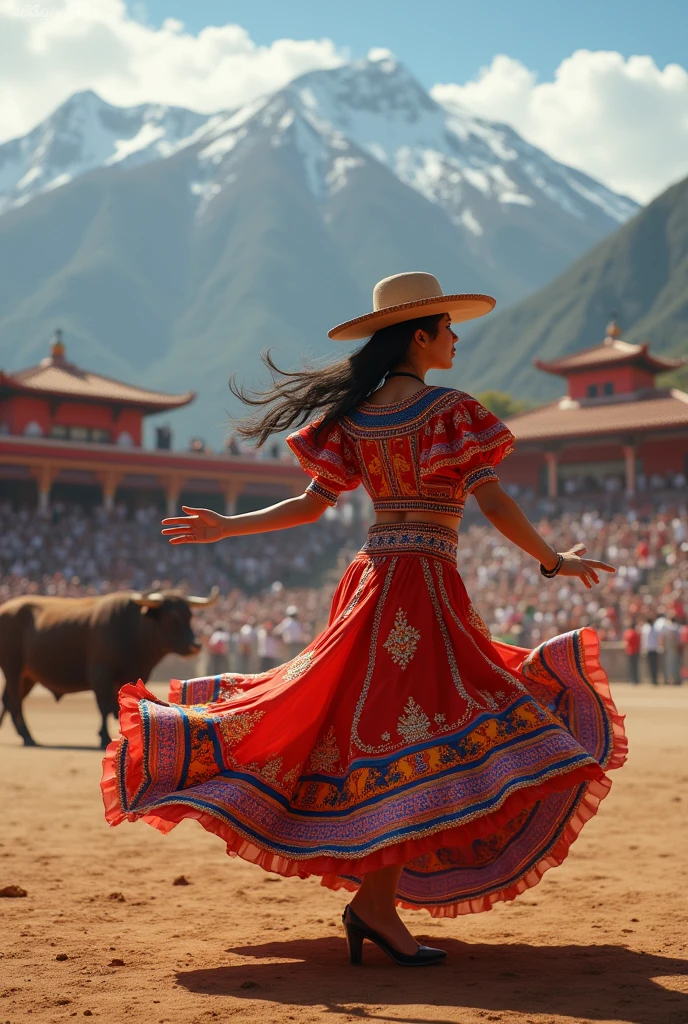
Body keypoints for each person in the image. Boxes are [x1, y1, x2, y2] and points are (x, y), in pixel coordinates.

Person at [102, 272, 626, 967]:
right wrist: (554, 561)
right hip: (423, 586)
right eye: (448, 329)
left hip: (375, 577)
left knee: (378, 733)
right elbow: (494, 505)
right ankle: (375, 905)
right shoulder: (449, 411)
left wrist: (227, 526)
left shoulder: (357, 418)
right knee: (420, 728)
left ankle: (375, 903)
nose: (457, 339)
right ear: (421, 335)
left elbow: (310, 506)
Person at [640, 615, 660, 685]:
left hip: (654, 649)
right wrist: (643, 649)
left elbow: (658, 638)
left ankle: (655, 679)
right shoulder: (645, 628)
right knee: (650, 665)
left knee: (655, 665)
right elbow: (643, 640)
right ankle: (652, 679)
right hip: (648, 649)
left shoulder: (655, 628)